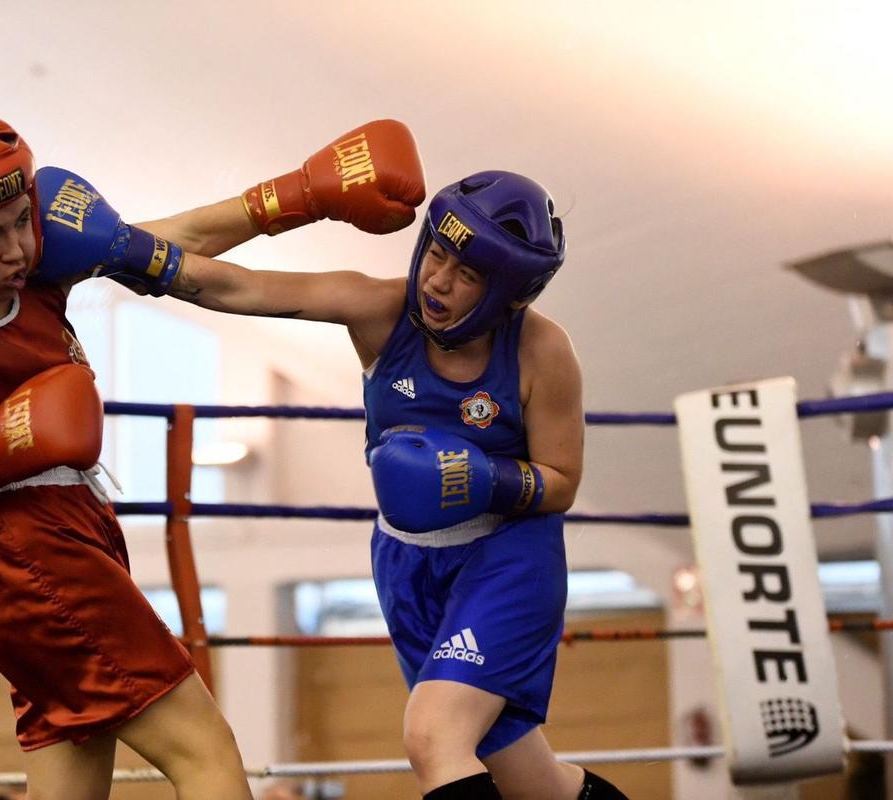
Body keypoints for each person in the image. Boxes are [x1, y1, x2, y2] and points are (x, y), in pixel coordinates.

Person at [32, 143, 628, 797]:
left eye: (466, 275)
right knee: (529, 778)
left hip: (507, 559)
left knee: (435, 737)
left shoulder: (543, 352)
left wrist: (482, 477)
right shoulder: (378, 310)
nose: (438, 280)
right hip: (406, 563)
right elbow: (245, 289)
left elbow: (562, 480)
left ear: (509, 295)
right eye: (437, 253)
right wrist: (130, 251)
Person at [0, 110, 420, 800]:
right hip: (18, 548)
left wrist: (300, 195)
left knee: (74, 762)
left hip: (71, 527)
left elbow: (158, 244)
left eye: (19, 224)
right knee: (202, 748)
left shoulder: (34, 272)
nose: (15, 249)